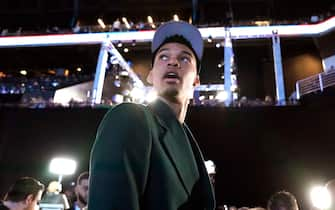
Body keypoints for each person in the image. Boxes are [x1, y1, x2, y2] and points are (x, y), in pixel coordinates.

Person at [88, 20, 215, 210]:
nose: (173, 62)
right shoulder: (130, 117)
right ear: (151, 76)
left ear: (196, 80)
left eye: (185, 58)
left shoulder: (188, 142)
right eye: (163, 57)